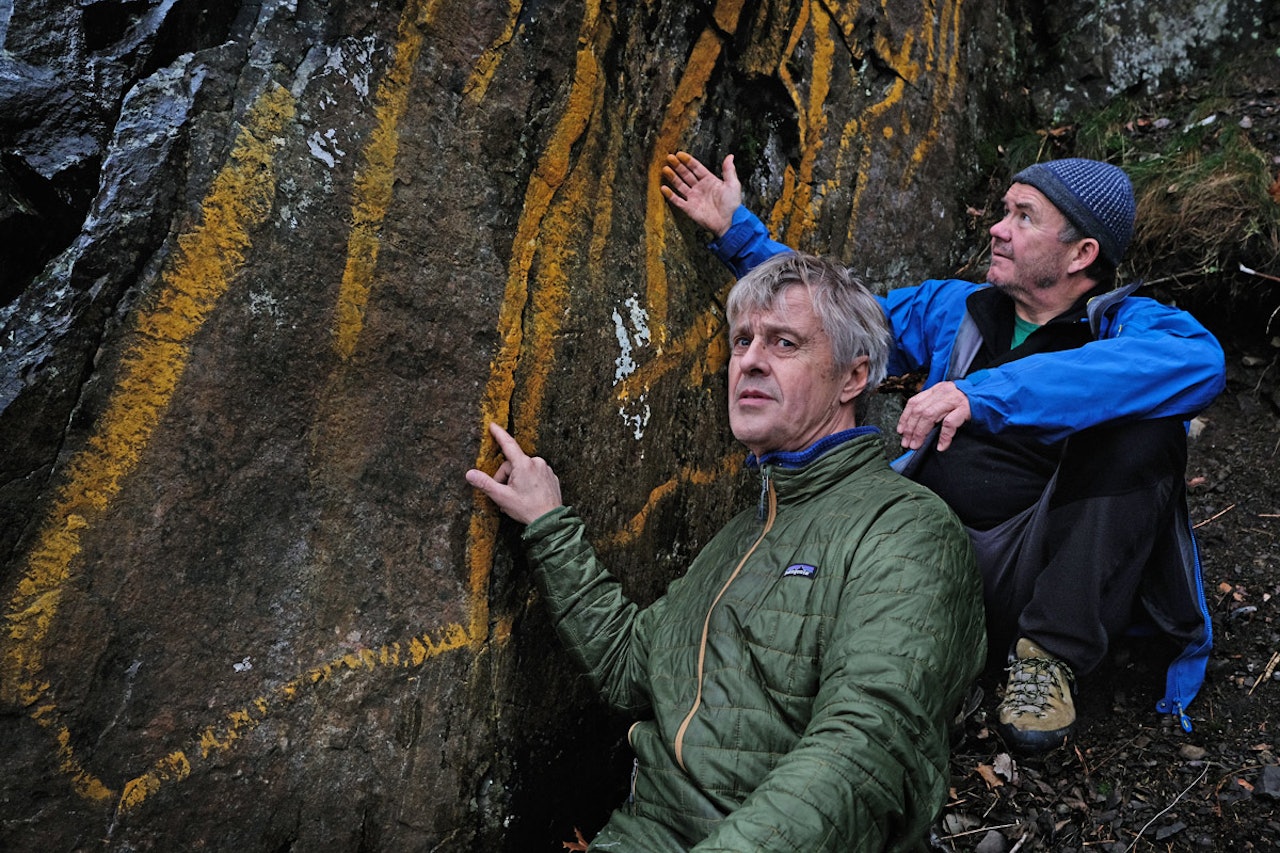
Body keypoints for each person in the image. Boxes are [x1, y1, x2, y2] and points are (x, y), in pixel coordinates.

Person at [661, 151, 1226, 753]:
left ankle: (1046, 661)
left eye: (1024, 217)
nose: (997, 228)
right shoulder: (955, 310)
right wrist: (736, 231)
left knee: (1147, 429)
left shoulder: (1130, 327)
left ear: (1081, 254)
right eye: (1004, 211)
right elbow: (839, 323)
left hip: (1042, 571)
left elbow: (1199, 364)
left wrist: (981, 394)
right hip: (923, 559)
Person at [468, 251, 986, 850]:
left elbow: (866, 752)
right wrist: (550, 525)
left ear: (853, 377)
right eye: (741, 342)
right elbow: (633, 670)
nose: (750, 362)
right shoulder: (742, 533)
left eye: (784, 343)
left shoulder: (906, 528)